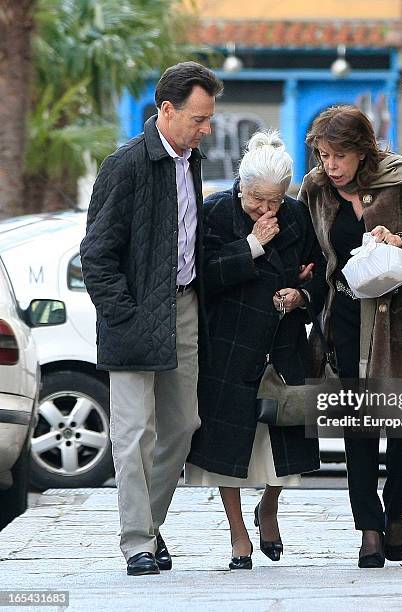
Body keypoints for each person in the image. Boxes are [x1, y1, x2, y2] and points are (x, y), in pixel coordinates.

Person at [80, 62, 223, 576]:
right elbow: (96, 253)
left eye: (209, 120)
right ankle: (137, 540)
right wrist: (123, 314)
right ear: (166, 110)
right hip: (134, 314)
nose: (205, 129)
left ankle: (150, 524)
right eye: (198, 119)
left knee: (183, 426)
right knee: (134, 431)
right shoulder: (126, 164)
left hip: (183, 308)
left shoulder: (192, 161)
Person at [298, 105, 402, 568]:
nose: (331, 165)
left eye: (339, 156)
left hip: (400, 318)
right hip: (344, 314)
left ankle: (397, 514)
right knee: (357, 425)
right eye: (324, 155)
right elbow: (307, 245)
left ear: (363, 152)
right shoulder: (317, 190)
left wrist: (401, 239)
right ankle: (368, 527)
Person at [186, 130, 321, 570]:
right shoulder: (216, 212)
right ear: (240, 186)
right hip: (229, 343)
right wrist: (251, 245)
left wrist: (300, 297)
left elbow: (317, 276)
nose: (266, 209)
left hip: (281, 345)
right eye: (257, 199)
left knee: (283, 442)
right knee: (226, 445)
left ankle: (269, 508)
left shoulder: (298, 216)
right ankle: (237, 533)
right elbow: (203, 275)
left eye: (275, 201)